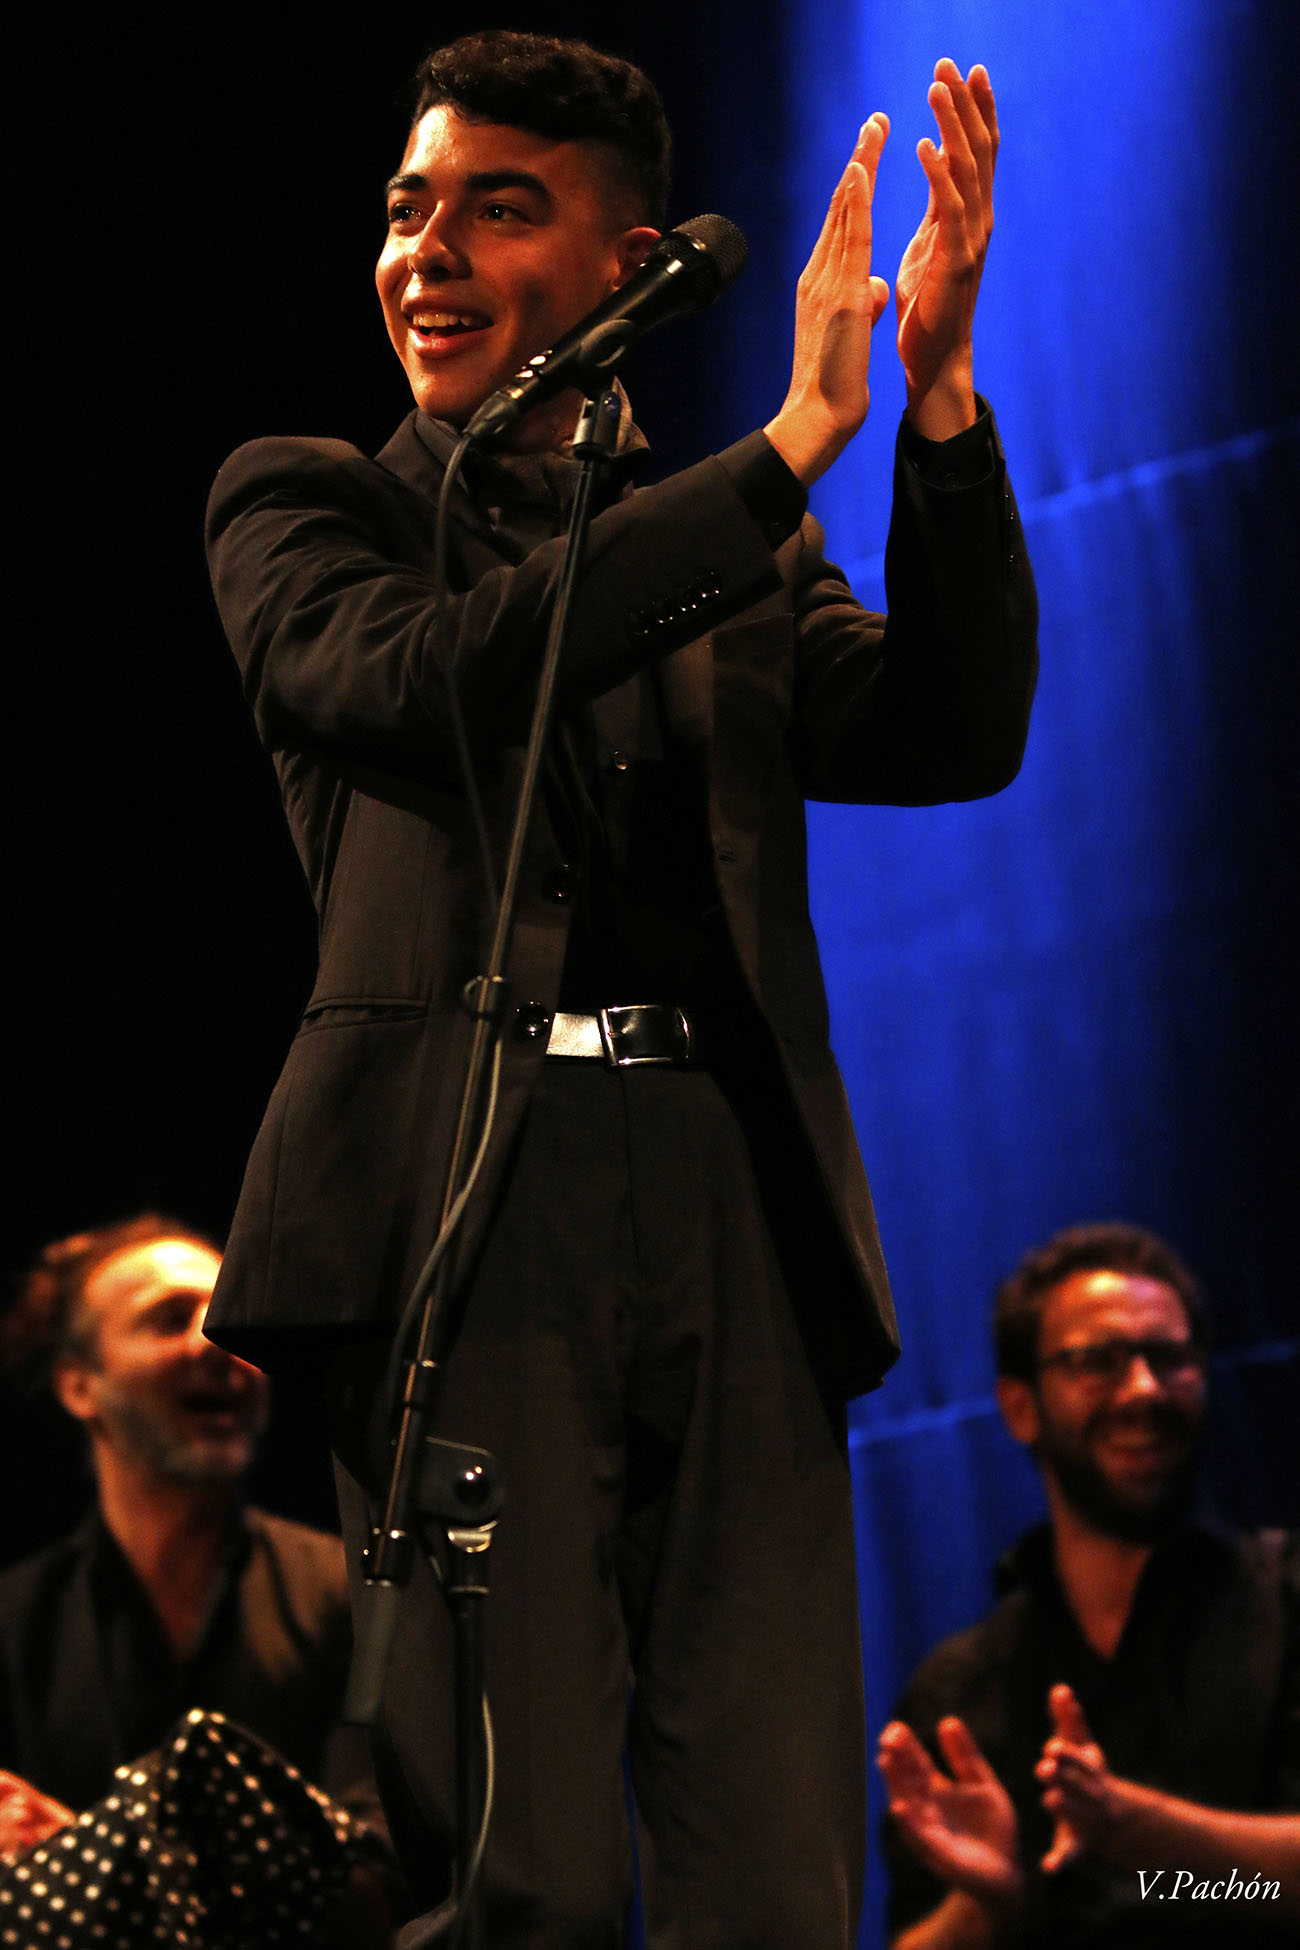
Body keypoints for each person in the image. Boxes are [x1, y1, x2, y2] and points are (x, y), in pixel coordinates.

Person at [203, 29, 1038, 1947]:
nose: (429, 250)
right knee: (530, 1870)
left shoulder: (744, 543)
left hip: (732, 1196)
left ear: (629, 264)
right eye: (411, 207)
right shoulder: (309, 506)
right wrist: (780, 452)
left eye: (501, 210)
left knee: (773, 1859)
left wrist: (927, 406)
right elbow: (441, 679)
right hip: (465, 1214)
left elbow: (947, 729)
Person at [877, 1221, 1300, 1946]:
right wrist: (983, 1904)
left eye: (1168, 1357)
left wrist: (1146, 1837)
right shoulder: (958, 1689)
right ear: (1019, 1407)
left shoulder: (1288, 1601)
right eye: (1099, 1361)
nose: (1143, 1388)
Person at [0, 1215, 365, 1848]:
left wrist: (93, 1856)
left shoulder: (349, 1592)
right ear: (78, 1385)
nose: (216, 1342)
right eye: (169, 1318)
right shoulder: (14, 1621)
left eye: (228, 1318)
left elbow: (378, 1862)